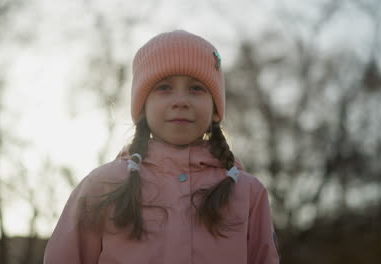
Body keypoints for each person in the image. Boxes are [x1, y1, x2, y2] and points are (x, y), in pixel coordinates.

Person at [44, 29, 280, 264]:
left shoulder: (248, 193)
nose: (180, 101)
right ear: (142, 107)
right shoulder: (102, 185)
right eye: (164, 88)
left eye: (196, 88)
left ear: (216, 110)